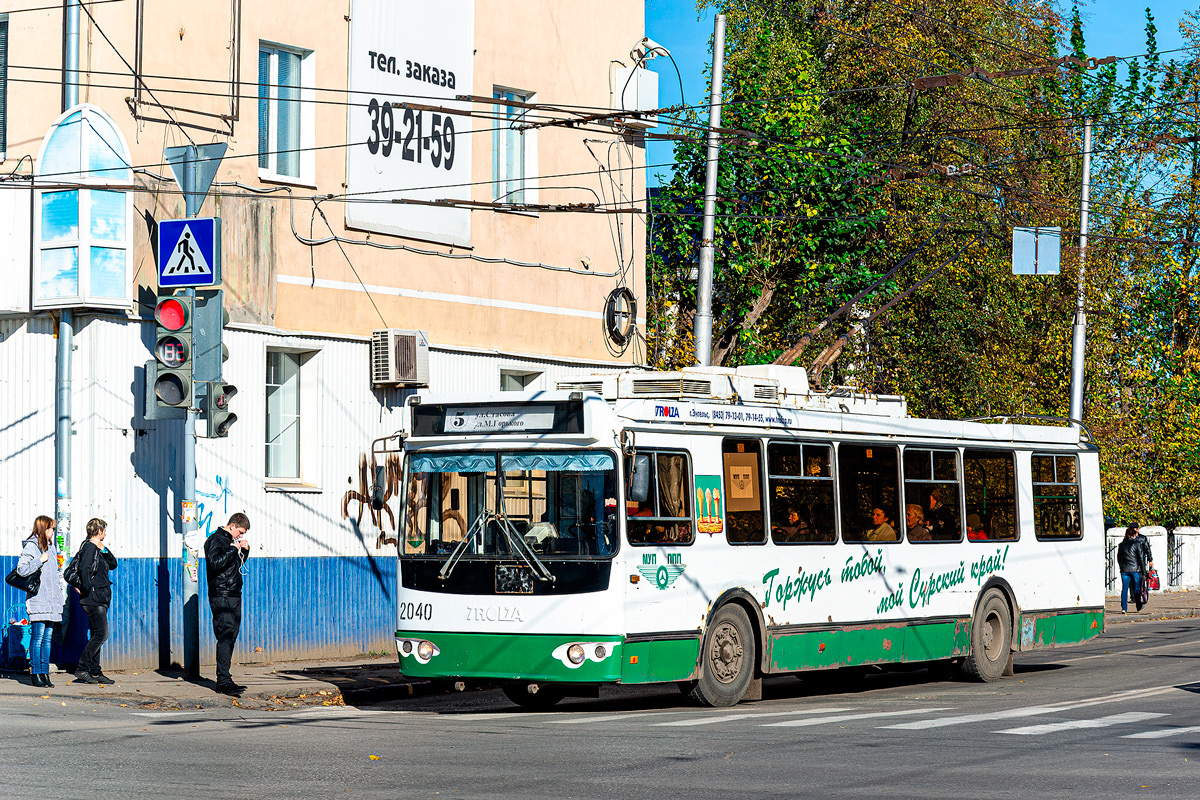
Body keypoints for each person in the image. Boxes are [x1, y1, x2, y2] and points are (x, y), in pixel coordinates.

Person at [15, 515, 65, 688]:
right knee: (38, 637)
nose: (53, 531)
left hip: (52, 600)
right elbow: (21, 569)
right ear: (44, 529)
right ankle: (36, 673)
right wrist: (39, 560)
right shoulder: (31, 546)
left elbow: (55, 573)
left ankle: (44, 673)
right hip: (39, 599)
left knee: (47, 638)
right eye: (51, 528)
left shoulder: (51, 546)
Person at [206, 512, 251, 695]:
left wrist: (244, 551)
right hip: (221, 595)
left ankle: (226, 677)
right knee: (224, 636)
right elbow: (214, 563)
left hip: (233, 593)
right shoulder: (215, 540)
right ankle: (222, 681)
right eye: (240, 532)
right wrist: (233, 549)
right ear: (232, 525)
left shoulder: (231, 542)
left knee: (231, 635)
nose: (240, 536)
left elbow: (234, 565)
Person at [74, 518, 118, 685]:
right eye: (104, 531)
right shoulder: (88, 547)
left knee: (96, 634)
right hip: (93, 598)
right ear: (99, 531)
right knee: (101, 634)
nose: (105, 533)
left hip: (100, 597)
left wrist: (105, 549)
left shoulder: (98, 549)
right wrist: (85, 589)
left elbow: (113, 564)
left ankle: (95, 671)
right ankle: (82, 668)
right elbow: (84, 569)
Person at [1117, 525, 1154, 614]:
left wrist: (1122, 567)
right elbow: (1141, 558)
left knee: (1124, 589)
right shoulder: (1137, 544)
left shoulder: (1121, 545)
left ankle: (1124, 608)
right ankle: (1139, 606)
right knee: (1137, 588)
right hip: (1135, 570)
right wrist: (1144, 571)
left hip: (1124, 570)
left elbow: (1119, 557)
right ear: (1134, 535)